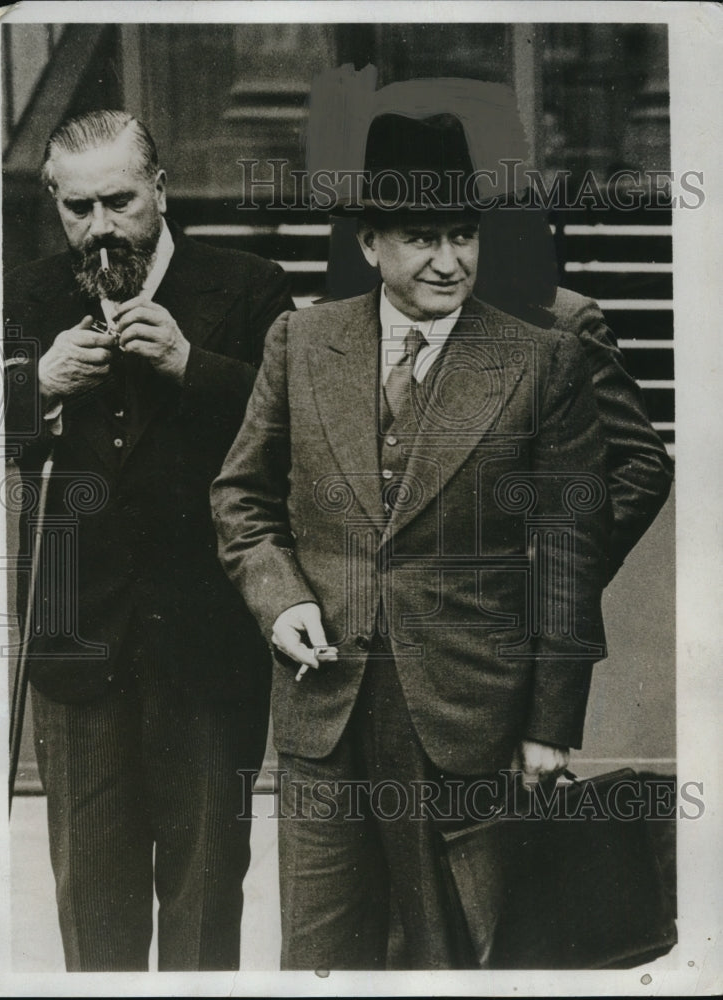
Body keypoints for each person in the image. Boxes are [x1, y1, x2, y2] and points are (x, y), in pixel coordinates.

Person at [211, 112, 614, 969]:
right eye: (422, 237)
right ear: (370, 244)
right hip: (325, 712)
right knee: (320, 958)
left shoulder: (542, 362)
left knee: (449, 956)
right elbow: (241, 498)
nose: (449, 260)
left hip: (469, 715)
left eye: (463, 235)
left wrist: (551, 722)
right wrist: (279, 600)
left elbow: (569, 551)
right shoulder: (300, 341)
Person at [4, 109, 293, 971]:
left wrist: (192, 369)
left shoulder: (249, 287)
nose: (100, 230)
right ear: (54, 202)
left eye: (121, 202)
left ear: (161, 190)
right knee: (93, 918)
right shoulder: (24, 296)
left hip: (206, 647)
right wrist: (38, 387)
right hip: (74, 644)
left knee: (205, 909)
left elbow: (305, 436)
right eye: (77, 208)